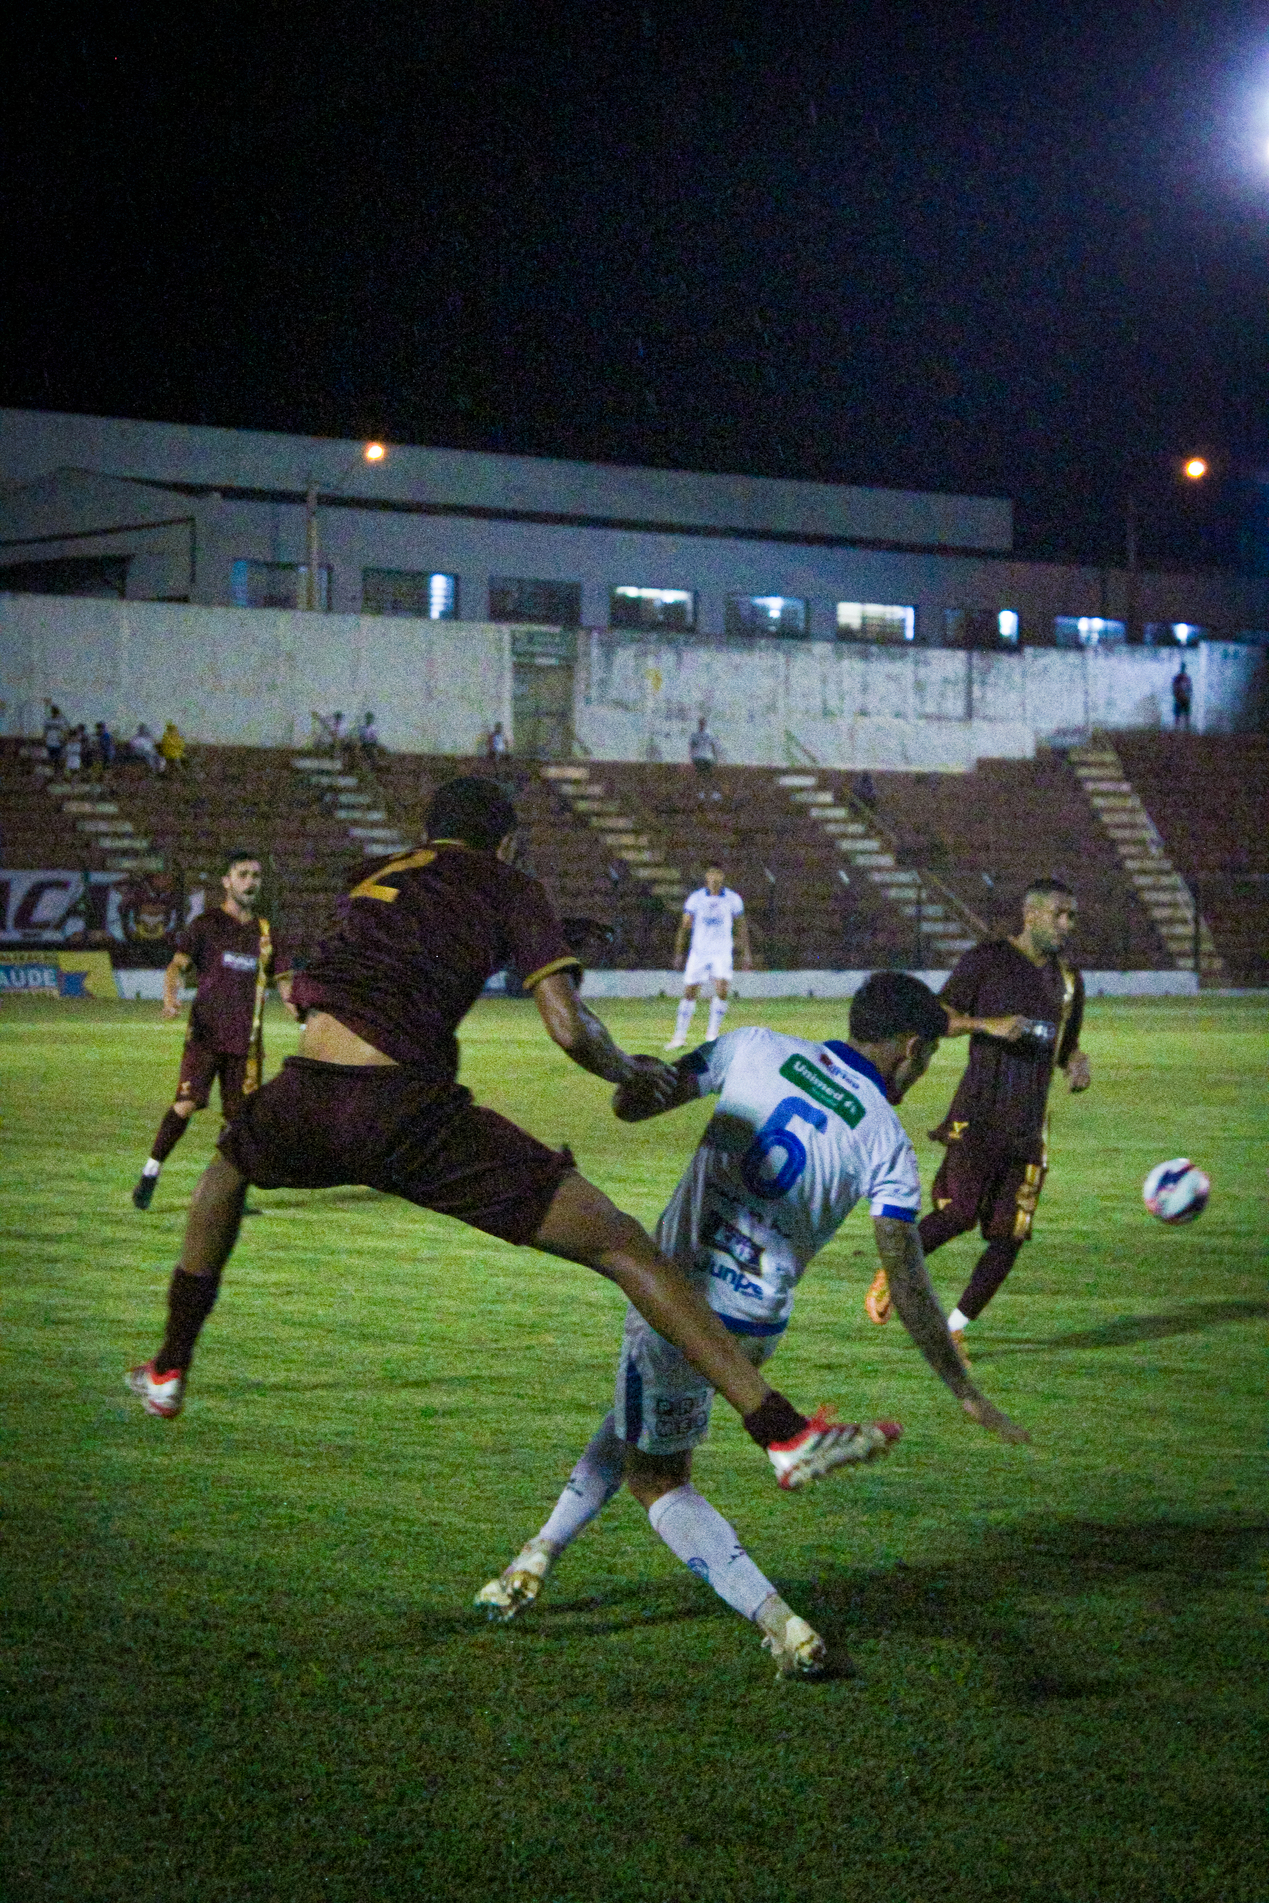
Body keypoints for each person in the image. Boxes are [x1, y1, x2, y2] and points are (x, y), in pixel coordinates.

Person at [123, 779, 871, 1499]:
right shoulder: (509, 885)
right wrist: (628, 1069)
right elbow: (567, 1026)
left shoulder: (375, 874)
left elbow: (353, 971)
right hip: (402, 1110)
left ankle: (170, 1364)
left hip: (306, 1091)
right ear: (506, 842)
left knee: (223, 1171)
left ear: (428, 831)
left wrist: (527, 941)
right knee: (622, 1244)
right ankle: (780, 1431)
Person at [475, 972, 1028, 1678]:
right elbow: (907, 1274)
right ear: (912, 1049)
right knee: (634, 1417)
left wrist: (626, 1072)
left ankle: (781, 1623)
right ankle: (535, 1558)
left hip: (674, 1299)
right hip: (756, 1325)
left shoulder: (754, 1046)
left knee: (657, 1479)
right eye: (927, 1063)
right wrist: (959, 1384)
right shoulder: (885, 1138)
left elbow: (629, 1104)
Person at [864, 878, 1090, 1361]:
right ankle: (893, 1271)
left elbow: (1064, 1045)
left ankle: (954, 1329)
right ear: (1031, 915)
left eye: (1072, 916)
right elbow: (937, 1016)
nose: (1067, 925)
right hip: (979, 1115)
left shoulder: (1070, 981)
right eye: (1060, 914)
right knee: (959, 1214)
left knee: (1010, 1236)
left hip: (1030, 1127)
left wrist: (1074, 1061)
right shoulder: (986, 961)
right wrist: (986, 1024)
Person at [131, 852, 295, 1210]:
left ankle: (229, 1193)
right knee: (187, 1104)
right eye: (243, 875)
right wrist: (171, 997)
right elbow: (176, 966)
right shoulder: (206, 925)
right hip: (206, 1037)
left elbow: (284, 981)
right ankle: (151, 1171)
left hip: (247, 1044)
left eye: (255, 875)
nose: (251, 882)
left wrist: (298, 1006)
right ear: (227, 881)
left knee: (241, 1121)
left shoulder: (266, 933)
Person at [666, 864, 752, 1050]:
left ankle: (712, 1036)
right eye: (711, 873)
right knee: (690, 992)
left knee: (721, 991)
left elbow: (741, 926)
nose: (715, 877)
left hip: (722, 953)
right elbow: (684, 927)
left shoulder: (733, 899)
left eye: (718, 873)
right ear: (706, 876)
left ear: (723, 876)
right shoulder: (695, 899)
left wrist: (746, 953)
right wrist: (679, 952)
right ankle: (679, 1036)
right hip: (699, 953)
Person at [42, 703, 67, 774]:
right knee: (51, 760)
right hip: (49, 743)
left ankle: (57, 773)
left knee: (58, 760)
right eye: (54, 711)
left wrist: (63, 740)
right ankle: (52, 773)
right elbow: (45, 732)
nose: (55, 713)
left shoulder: (61, 721)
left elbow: (64, 732)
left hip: (58, 743)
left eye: (56, 711)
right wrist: (44, 740)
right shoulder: (48, 720)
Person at [1172, 662, 1193, 731]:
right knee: (1178, 715)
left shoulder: (1186, 678)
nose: (1183, 668)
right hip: (1180, 699)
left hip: (1185, 699)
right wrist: (1177, 696)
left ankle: (1187, 728)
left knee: (1186, 715)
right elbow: (1174, 688)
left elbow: (1190, 689)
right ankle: (1177, 729)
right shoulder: (1178, 678)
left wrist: (1188, 697)